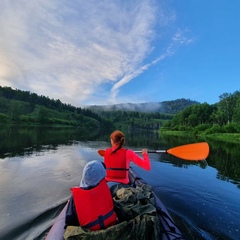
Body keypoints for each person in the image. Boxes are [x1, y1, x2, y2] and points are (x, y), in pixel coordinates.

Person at [68, 160, 117, 230]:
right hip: (111, 227)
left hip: (90, 233)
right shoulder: (107, 189)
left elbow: (70, 222)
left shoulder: (74, 199)